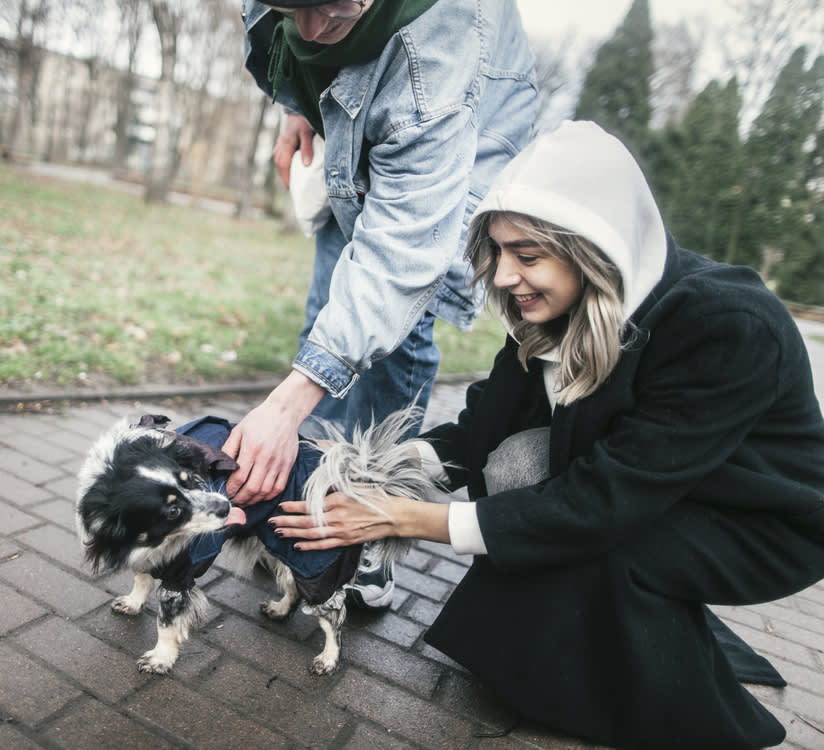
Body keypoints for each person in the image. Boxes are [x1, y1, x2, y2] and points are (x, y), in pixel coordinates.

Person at [268, 120, 824, 749]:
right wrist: (374, 467)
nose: (504, 277)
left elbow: (606, 498)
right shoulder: (555, 308)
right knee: (526, 482)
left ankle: (672, 695)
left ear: (594, 250)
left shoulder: (726, 323)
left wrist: (410, 519)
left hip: (755, 517)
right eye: (498, 253)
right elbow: (481, 432)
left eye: (527, 256)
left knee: (591, 536)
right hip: (650, 480)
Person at [225, 0, 538, 608]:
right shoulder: (312, 20)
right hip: (355, 133)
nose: (310, 30)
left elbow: (401, 259)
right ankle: (304, 505)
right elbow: (300, 33)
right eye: (294, 7)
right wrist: (297, 106)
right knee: (327, 320)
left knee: (395, 335)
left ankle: (367, 524)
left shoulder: (440, 46)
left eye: (332, 7)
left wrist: (283, 409)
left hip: (450, 137)